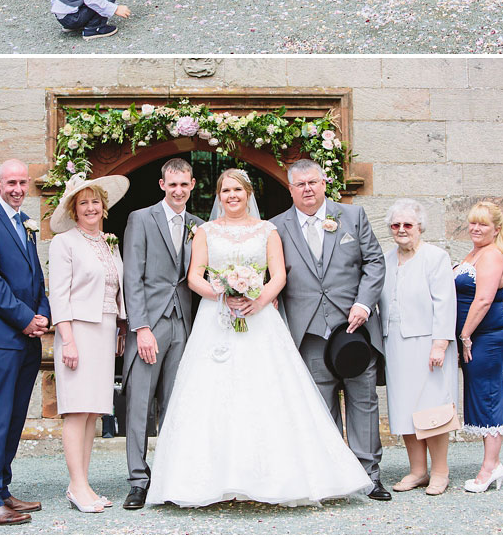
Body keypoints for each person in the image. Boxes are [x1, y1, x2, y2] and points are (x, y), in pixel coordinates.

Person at [147, 168, 372, 507]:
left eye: (237, 189)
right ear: (218, 196)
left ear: (248, 193)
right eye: (225, 191)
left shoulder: (268, 230)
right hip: (217, 318)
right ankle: (209, 481)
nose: (231, 196)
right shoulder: (205, 231)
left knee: (266, 391)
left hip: (260, 317)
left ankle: (276, 478)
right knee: (212, 393)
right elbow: (194, 276)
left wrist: (258, 299)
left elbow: (278, 274)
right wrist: (221, 294)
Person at [267, 161, 388, 499]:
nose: (308, 189)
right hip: (308, 333)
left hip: (354, 329)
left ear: (324, 183)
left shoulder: (353, 216)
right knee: (319, 407)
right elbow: (269, 275)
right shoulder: (276, 228)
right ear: (290, 189)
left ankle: (369, 475)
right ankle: (336, 476)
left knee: (363, 400)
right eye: (300, 184)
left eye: (313, 182)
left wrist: (364, 304)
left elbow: (375, 263)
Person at [0, 161, 50, 527]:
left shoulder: (26, 221)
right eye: (10, 182)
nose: (17, 187)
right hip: (2, 337)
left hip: (29, 338)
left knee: (16, 417)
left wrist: (43, 314)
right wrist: (25, 318)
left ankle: (2, 489)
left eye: (22, 182)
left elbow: (36, 276)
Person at [47, 174, 128, 513]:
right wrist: (67, 340)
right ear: (74, 209)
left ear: (103, 207)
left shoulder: (109, 242)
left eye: (96, 202)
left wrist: (121, 327)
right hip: (78, 331)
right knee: (76, 410)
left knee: (94, 410)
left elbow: (115, 290)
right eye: (84, 203)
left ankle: (82, 483)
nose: (91, 207)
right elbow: (59, 296)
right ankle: (77, 486)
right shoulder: (64, 242)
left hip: (105, 328)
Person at [120, 157, 197, 511]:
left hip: (184, 322)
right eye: (173, 184)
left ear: (192, 185)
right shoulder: (141, 219)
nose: (178, 190)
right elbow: (131, 277)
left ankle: (167, 477)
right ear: (162, 185)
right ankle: (138, 479)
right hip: (149, 324)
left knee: (176, 403)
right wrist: (142, 328)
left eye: (185, 184)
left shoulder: (198, 225)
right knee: (139, 403)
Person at [381, 200, 460, 497]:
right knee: (404, 408)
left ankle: (440, 472)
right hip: (396, 343)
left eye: (408, 225)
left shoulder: (436, 257)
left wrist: (440, 343)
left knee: (432, 409)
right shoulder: (386, 259)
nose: (401, 230)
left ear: (419, 227)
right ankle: (417, 470)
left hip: (429, 344)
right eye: (396, 225)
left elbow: (445, 301)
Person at [455, 202, 503, 494]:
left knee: (488, 397)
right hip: (476, 337)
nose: (475, 229)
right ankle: (493, 462)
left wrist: (465, 336)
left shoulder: (491, 256)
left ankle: (490, 468)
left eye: (483, 225)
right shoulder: (475, 253)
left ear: (497, 229)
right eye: (472, 223)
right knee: (480, 395)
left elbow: (483, 301)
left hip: (487, 337)